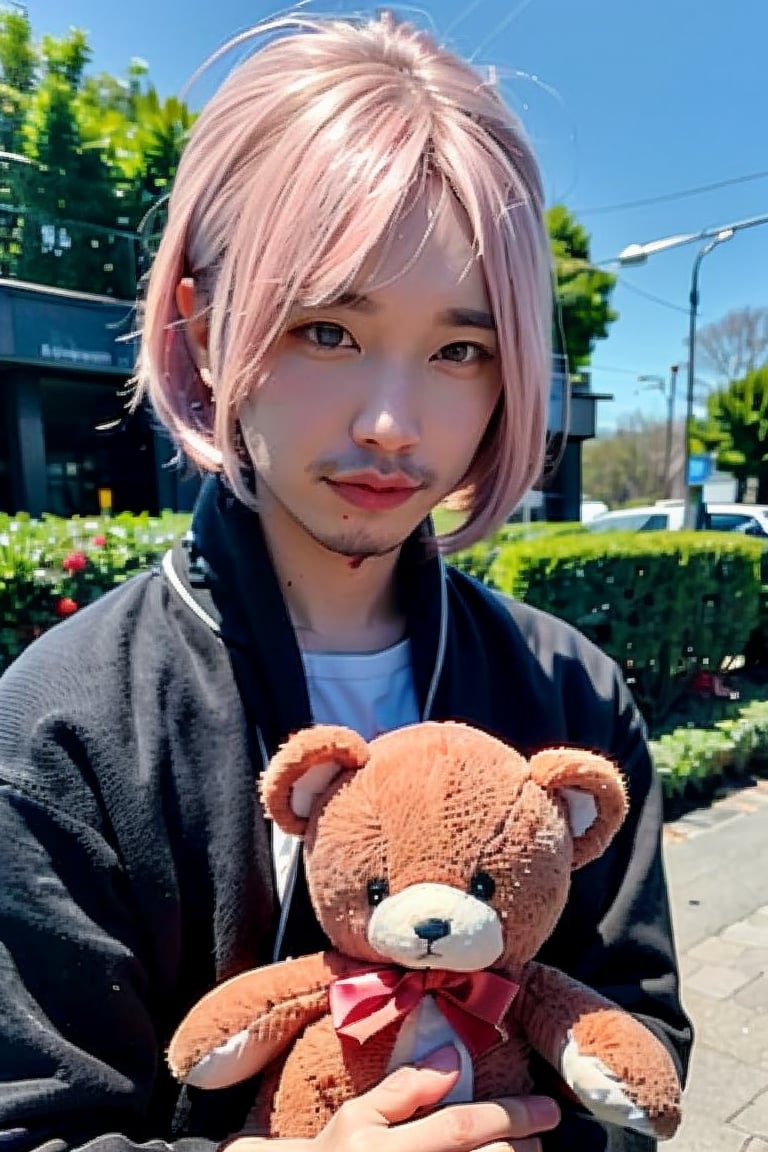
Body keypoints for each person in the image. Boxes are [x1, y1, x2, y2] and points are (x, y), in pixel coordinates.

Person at [0, 11, 692, 1152]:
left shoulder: (572, 692)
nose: (391, 422)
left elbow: (642, 1035)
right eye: (326, 328)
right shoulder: (64, 731)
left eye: (461, 349)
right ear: (205, 324)